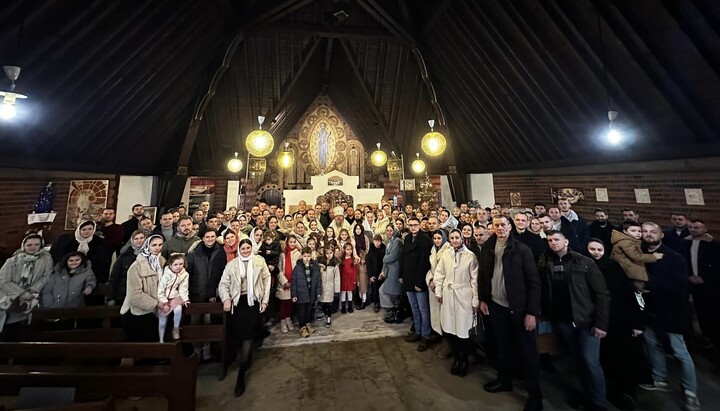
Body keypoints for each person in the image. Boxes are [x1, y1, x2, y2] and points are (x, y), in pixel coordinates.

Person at [479, 216, 542, 411]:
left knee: (527, 353)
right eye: (496, 225)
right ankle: (504, 380)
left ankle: (535, 397)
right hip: (497, 306)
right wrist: (483, 299)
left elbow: (534, 282)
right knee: (502, 347)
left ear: (510, 227)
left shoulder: (521, 250)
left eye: (503, 225)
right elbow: (483, 275)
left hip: (519, 309)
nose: (500, 228)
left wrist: (531, 312)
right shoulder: (488, 248)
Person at [543, 231, 610, 411]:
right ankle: (587, 396)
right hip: (564, 321)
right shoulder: (549, 262)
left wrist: (601, 323)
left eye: (556, 239)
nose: (553, 243)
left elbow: (602, 294)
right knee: (579, 361)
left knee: (591, 363)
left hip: (585, 321)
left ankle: (599, 403)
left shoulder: (585, 262)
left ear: (566, 241)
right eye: (549, 240)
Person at [639, 222, 700, 411]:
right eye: (645, 232)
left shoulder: (675, 258)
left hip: (671, 311)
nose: (648, 235)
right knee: (652, 345)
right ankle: (660, 378)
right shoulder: (640, 255)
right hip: (649, 311)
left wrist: (646, 283)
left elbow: (678, 286)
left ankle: (691, 392)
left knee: (680, 352)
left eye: (652, 232)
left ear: (661, 235)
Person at [588, 239, 648, 410]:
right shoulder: (586, 266)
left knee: (623, 358)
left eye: (599, 249)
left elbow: (630, 295)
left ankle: (627, 394)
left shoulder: (613, 267)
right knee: (605, 358)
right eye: (591, 249)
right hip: (599, 320)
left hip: (619, 320)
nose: (595, 252)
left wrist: (637, 323)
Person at [219, 238, 271, 397]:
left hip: (252, 300)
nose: (246, 250)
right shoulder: (232, 264)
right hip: (237, 301)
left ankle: (241, 373)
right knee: (239, 335)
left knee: (248, 334)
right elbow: (223, 284)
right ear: (239, 249)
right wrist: (226, 299)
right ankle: (245, 358)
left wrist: (265, 300)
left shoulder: (259, 261)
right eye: (243, 248)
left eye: (248, 248)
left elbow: (266, 279)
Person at [433, 229, 479, 376]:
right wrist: (439, 291)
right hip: (448, 295)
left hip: (464, 296)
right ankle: (457, 358)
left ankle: (464, 360)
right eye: (452, 238)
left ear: (462, 239)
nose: (454, 240)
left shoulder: (470, 257)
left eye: (457, 237)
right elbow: (439, 274)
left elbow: (474, 280)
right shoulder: (446, 254)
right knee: (451, 330)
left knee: (463, 330)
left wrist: (475, 300)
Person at [0, 234, 54, 339]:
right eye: (29, 245)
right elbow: (3, 280)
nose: (32, 247)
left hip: (34, 295)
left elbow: (47, 276)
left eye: (36, 244)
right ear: (23, 245)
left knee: (26, 328)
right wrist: (21, 293)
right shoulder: (12, 261)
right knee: (9, 326)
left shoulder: (46, 259)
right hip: (11, 295)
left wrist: (32, 290)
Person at [682, 219, 720, 348]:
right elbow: (683, 262)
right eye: (691, 227)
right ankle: (705, 336)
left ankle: (714, 337)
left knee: (712, 311)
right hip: (692, 282)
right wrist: (689, 276)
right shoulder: (685, 243)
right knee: (698, 311)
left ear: (705, 229)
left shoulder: (714, 245)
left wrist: (705, 278)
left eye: (697, 227)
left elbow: (716, 266)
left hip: (709, 284)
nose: (693, 229)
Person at [121, 234, 165, 342]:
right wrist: (156, 304)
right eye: (154, 245)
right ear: (147, 246)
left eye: (160, 245)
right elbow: (134, 295)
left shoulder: (162, 262)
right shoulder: (136, 266)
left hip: (157, 313)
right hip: (140, 314)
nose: (157, 248)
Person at [426, 229, 452, 359]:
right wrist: (430, 280)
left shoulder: (448, 250)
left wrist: (437, 282)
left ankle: (449, 344)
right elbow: (432, 269)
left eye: (439, 238)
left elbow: (446, 271)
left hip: (444, 287)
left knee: (446, 317)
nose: (437, 241)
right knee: (438, 316)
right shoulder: (433, 249)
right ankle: (443, 341)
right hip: (434, 286)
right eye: (435, 238)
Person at [611, 220, 662, 284]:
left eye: (639, 231)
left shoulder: (630, 241)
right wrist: (653, 257)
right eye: (633, 231)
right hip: (627, 272)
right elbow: (635, 256)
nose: (637, 233)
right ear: (625, 231)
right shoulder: (626, 242)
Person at [157, 253, 190, 342]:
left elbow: (183, 287)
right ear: (170, 265)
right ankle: (161, 340)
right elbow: (161, 289)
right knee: (163, 321)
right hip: (164, 298)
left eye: (181, 264)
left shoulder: (184, 274)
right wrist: (164, 302)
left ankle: (176, 328)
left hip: (175, 296)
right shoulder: (166, 275)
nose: (178, 267)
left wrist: (185, 298)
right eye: (175, 264)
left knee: (178, 309)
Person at [107, 230, 144, 307]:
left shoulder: (150, 256)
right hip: (124, 294)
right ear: (132, 240)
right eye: (136, 239)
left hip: (143, 295)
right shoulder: (124, 256)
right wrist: (111, 298)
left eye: (141, 238)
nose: (139, 241)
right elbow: (114, 277)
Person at [290, 247, 322, 338]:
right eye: (305, 256)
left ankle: (308, 324)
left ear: (311, 256)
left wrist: (318, 291)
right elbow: (294, 281)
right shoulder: (297, 267)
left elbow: (318, 280)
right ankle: (302, 327)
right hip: (301, 294)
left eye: (308, 256)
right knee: (301, 312)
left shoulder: (315, 267)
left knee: (308, 310)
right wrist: (294, 294)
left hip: (311, 293)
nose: (307, 258)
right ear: (302, 256)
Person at [277, 235, 301, 332]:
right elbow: (279, 269)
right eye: (290, 242)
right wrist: (284, 281)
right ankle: (283, 321)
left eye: (294, 242)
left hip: (294, 282)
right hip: (284, 283)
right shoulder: (282, 254)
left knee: (291, 302)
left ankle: (288, 319)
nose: (292, 244)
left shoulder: (298, 253)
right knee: (284, 302)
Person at [366, 234, 386, 313]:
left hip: (381, 271)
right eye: (375, 241)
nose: (377, 243)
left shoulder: (384, 248)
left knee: (381, 288)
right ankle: (376, 303)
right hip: (374, 272)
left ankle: (382, 302)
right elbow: (368, 263)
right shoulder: (371, 249)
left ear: (381, 242)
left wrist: (383, 272)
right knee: (374, 288)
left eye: (378, 241)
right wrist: (370, 275)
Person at [339, 243, 358, 314]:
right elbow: (340, 270)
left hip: (350, 279)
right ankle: (343, 307)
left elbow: (354, 271)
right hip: (343, 279)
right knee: (343, 292)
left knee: (350, 292)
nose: (349, 251)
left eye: (350, 249)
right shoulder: (342, 260)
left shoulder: (353, 259)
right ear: (344, 250)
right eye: (347, 249)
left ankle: (350, 306)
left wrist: (354, 280)